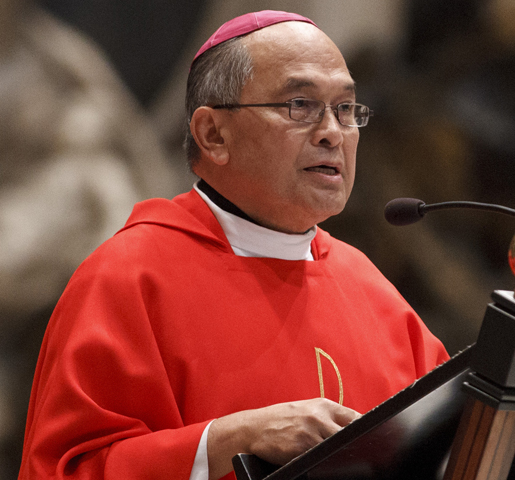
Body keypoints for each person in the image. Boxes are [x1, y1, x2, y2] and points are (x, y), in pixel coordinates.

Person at [18, 11, 449, 480]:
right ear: (213, 135)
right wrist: (229, 440)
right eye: (300, 105)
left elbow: (455, 444)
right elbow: (68, 471)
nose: (332, 132)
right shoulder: (129, 278)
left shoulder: (370, 288)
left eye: (346, 109)